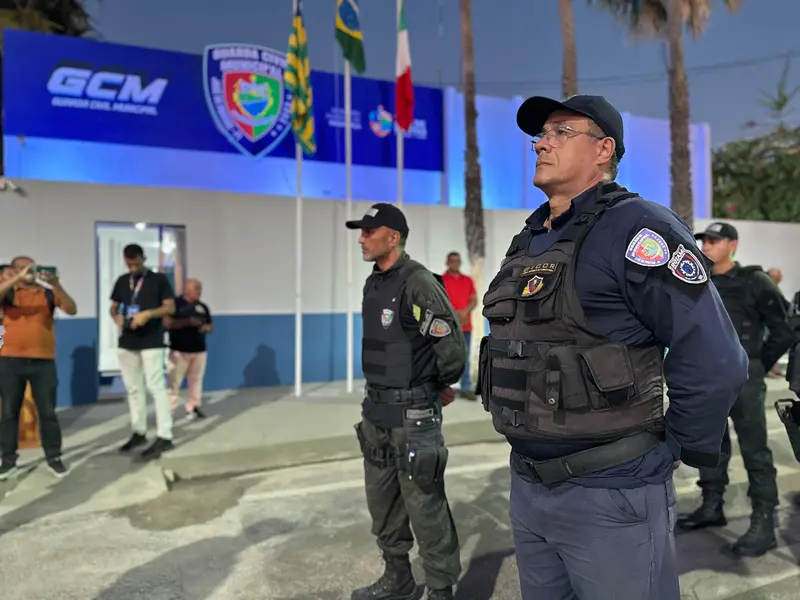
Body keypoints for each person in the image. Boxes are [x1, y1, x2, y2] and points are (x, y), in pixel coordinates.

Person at [479, 94, 748, 599]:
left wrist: (678, 447)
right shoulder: (532, 238)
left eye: (561, 132)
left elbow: (715, 356)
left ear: (603, 149)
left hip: (611, 492)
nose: (541, 142)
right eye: (540, 134)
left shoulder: (638, 227)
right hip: (530, 488)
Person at [345, 203, 466, 600]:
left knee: (425, 506)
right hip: (376, 412)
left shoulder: (418, 282)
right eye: (360, 232)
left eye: (368, 231)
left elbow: (451, 348)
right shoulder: (373, 283)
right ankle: (398, 578)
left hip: (413, 415)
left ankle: (440, 589)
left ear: (392, 236)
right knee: (383, 505)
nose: (361, 238)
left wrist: (434, 384)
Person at [678, 222, 795, 556]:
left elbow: (784, 329)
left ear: (732, 245)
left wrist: (753, 361)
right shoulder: (698, 281)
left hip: (744, 379)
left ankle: (764, 521)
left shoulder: (755, 281)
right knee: (710, 446)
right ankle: (712, 505)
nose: (707, 245)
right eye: (705, 240)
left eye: (714, 241)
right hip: (706, 378)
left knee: (755, 450)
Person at [0, 257, 78, 479]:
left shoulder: (48, 293)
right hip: (10, 361)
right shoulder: (9, 293)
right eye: (24, 268)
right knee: (8, 413)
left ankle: (54, 457)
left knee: (47, 412)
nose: (30, 272)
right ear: (15, 271)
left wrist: (56, 284)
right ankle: (8, 461)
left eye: (32, 267)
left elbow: (72, 309)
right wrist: (16, 278)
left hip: (43, 361)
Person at [110, 243, 176, 461]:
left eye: (136, 263)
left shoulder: (158, 280)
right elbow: (114, 306)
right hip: (127, 340)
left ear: (144, 258)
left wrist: (148, 314)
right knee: (133, 389)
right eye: (129, 264)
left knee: (156, 386)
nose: (133, 267)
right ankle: (139, 431)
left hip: (151, 340)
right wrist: (117, 317)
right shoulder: (122, 281)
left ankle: (164, 435)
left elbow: (170, 307)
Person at [165, 278, 213, 420]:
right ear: (187, 289)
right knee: (174, 382)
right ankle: (168, 410)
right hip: (179, 350)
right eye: (196, 289)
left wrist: (206, 327)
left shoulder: (203, 307)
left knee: (196, 380)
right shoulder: (175, 304)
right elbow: (168, 324)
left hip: (199, 350)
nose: (199, 292)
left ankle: (193, 407)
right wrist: (187, 322)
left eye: (200, 289)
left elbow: (210, 325)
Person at [441, 252, 477, 400]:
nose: (455, 263)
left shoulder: (467, 280)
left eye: (457, 261)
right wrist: (455, 315)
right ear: (447, 262)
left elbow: (474, 299)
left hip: (465, 327)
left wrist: (465, 312)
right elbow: (438, 301)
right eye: (452, 261)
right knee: (447, 358)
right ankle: (445, 389)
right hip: (447, 328)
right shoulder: (441, 280)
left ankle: (465, 388)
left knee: (464, 358)